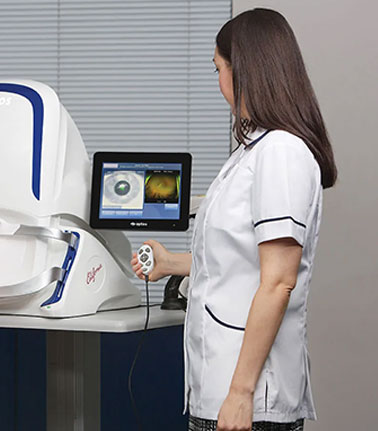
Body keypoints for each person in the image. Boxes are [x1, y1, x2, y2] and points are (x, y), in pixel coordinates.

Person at [131, 8, 337, 431]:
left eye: (219, 69)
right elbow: (239, 258)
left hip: (249, 399)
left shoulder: (282, 152)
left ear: (243, 70)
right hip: (221, 388)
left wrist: (241, 392)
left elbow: (278, 280)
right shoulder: (252, 151)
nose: (218, 82)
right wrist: (170, 263)